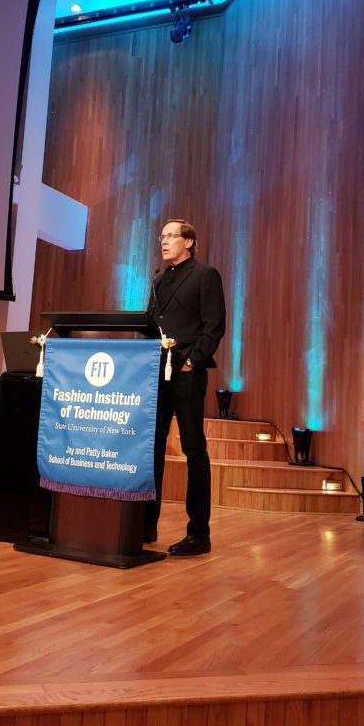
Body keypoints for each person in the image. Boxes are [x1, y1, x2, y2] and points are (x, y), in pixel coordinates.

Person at [144, 218, 226, 556]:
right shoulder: (158, 279)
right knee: (151, 448)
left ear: (188, 241)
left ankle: (199, 534)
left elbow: (214, 326)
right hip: (156, 373)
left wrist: (192, 360)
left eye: (170, 236)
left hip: (188, 372)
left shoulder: (205, 275)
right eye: (161, 237)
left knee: (194, 449)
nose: (163, 242)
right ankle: (145, 523)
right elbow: (149, 324)